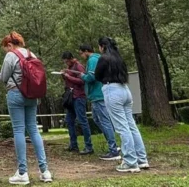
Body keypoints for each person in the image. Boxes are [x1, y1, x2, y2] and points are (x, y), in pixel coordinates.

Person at [0, 31, 52, 185]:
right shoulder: (31, 54)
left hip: (16, 94)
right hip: (32, 96)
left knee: (18, 130)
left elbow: (3, 77)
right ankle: (45, 171)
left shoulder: (11, 55)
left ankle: (22, 172)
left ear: (9, 45)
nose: (6, 51)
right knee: (34, 130)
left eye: (6, 48)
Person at [96, 37, 149, 173]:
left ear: (102, 46)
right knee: (131, 126)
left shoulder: (103, 58)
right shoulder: (119, 58)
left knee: (122, 128)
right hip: (125, 90)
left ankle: (130, 162)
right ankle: (142, 159)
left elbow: (97, 75)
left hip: (112, 91)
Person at [79, 43, 120, 161]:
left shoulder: (92, 60)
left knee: (104, 121)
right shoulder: (98, 58)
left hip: (98, 95)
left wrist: (82, 76)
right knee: (97, 119)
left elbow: (92, 77)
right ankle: (112, 144)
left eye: (81, 53)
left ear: (86, 50)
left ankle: (113, 149)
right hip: (96, 95)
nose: (81, 56)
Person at [60, 51, 92, 155]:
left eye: (67, 61)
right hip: (70, 97)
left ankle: (88, 146)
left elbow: (82, 81)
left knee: (82, 120)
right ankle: (73, 145)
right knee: (69, 121)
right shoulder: (69, 68)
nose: (66, 63)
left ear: (71, 59)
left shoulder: (79, 66)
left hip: (79, 97)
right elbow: (69, 81)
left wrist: (68, 76)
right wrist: (64, 75)